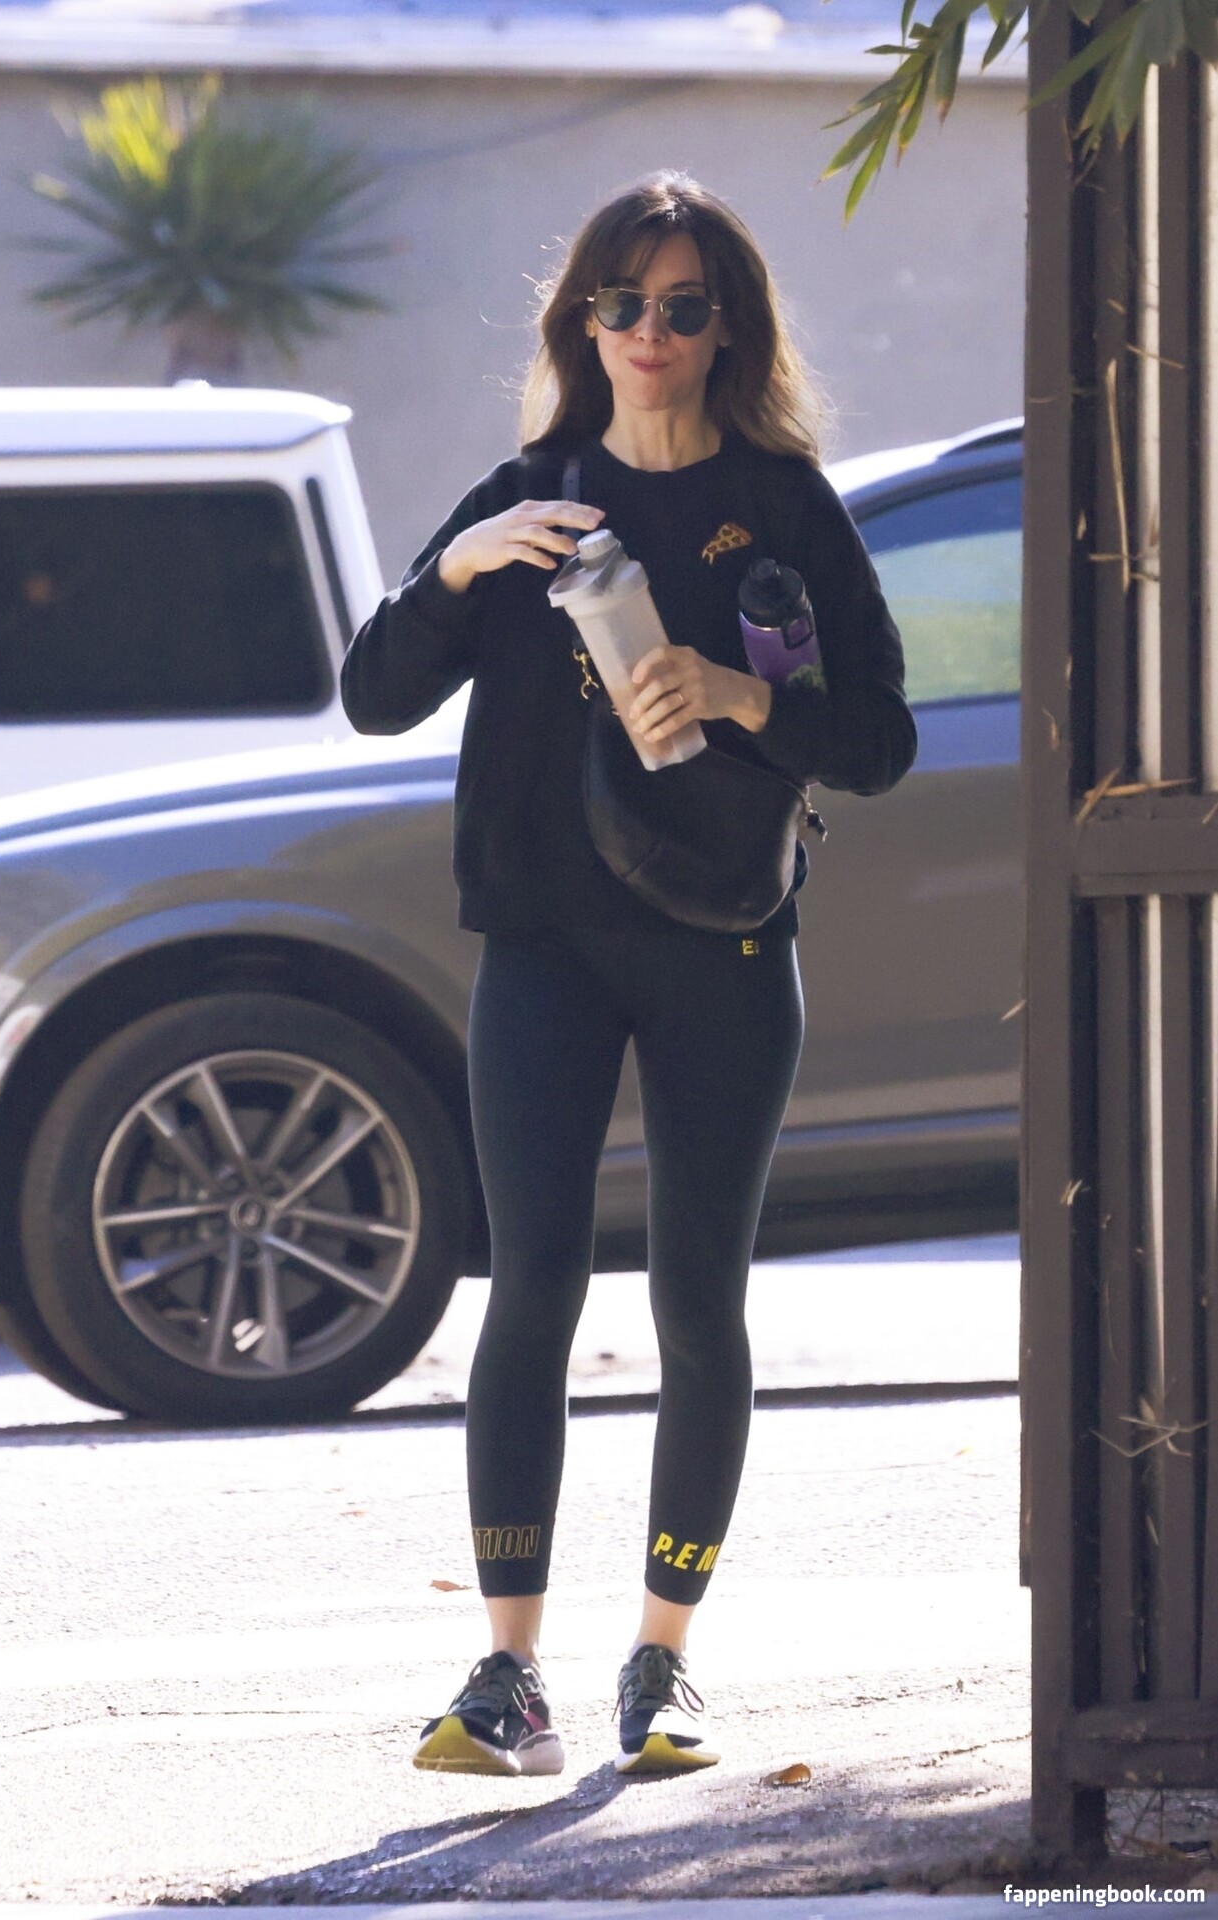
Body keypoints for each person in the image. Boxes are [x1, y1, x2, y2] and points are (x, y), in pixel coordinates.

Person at [340, 171, 917, 1778]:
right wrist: (456, 572)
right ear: (578, 324)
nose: (646, 331)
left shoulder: (782, 506)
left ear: (725, 329)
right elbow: (372, 698)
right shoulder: (524, 502)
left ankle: (661, 1665)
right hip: (542, 939)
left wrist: (739, 694)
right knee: (529, 1286)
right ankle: (505, 1673)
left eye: (679, 306)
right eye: (619, 303)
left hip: (723, 941)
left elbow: (878, 739)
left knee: (696, 1303)